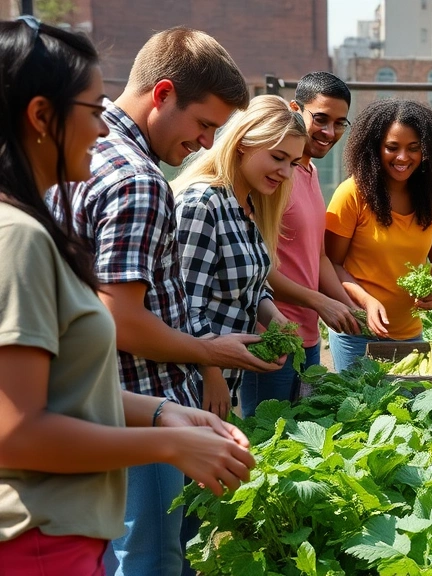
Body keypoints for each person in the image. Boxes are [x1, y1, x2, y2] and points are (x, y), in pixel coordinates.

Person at [0, 17, 255, 574]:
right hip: (39, 533)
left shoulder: (36, 210)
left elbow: (49, 392)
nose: (101, 129)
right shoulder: (25, 231)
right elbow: (16, 431)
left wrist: (165, 416)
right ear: (42, 116)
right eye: (93, 111)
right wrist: (165, 440)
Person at [62, 27, 280, 576]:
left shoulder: (84, 154)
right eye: (204, 124)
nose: (207, 144)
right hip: (139, 408)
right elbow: (122, 319)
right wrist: (210, 353)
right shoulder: (138, 181)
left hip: (93, 404)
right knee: (150, 559)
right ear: (162, 95)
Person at [172, 95, 305, 418]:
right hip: (189, 384)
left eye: (293, 163)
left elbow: (252, 284)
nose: (286, 172)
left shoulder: (249, 205)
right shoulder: (203, 203)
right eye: (278, 157)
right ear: (243, 143)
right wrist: (211, 371)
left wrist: (277, 320)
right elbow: (185, 304)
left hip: (224, 379)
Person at [238, 72, 359, 417]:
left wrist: (347, 305)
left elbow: (316, 255)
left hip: (307, 336)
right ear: (295, 109)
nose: (329, 132)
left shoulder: (307, 172)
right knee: (267, 444)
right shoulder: (271, 180)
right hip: (270, 334)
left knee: (297, 440)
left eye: (339, 123)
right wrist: (320, 302)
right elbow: (259, 267)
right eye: (320, 119)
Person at [325, 99, 432, 370]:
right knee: (360, 410)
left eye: (413, 148)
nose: (403, 157)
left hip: (410, 337)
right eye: (392, 148)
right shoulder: (352, 194)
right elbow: (331, 264)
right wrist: (366, 301)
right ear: (374, 148)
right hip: (357, 333)